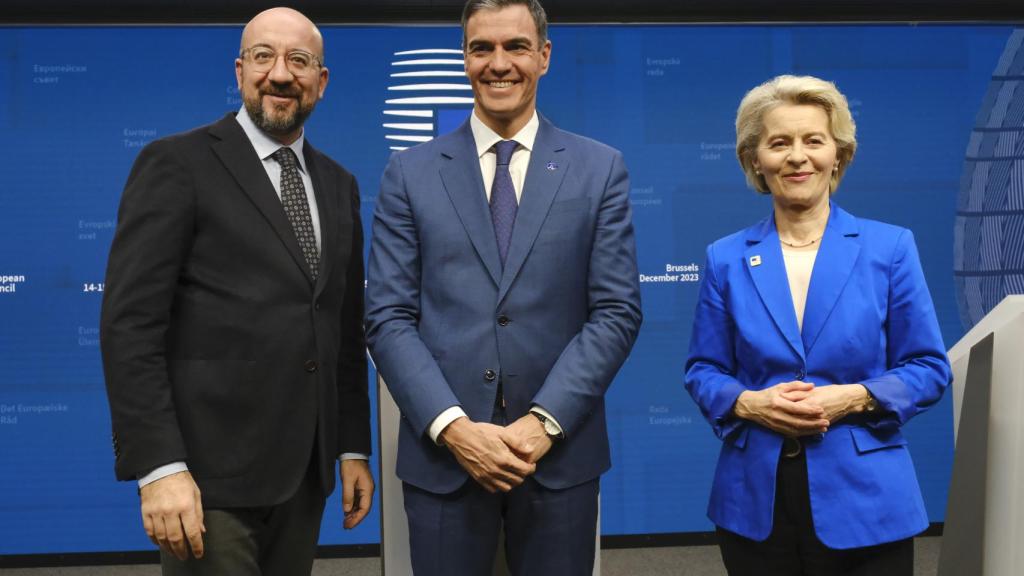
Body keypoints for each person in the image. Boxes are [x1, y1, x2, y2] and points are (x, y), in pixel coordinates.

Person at [364, 0, 642, 573]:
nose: (498, 63)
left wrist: (544, 424)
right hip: (444, 459)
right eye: (480, 48)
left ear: (543, 56)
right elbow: (387, 316)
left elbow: (615, 311)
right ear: (464, 58)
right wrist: (454, 428)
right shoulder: (409, 173)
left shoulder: (599, 168)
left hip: (557, 456)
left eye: (515, 47)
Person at [100, 7, 374, 575]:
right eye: (263, 57)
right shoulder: (177, 164)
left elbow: (344, 333)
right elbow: (130, 328)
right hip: (206, 484)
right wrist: (159, 468)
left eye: (299, 61)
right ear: (239, 69)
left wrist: (351, 447)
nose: (280, 74)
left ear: (320, 81)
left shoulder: (339, 184)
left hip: (305, 479)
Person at [684, 74, 952, 576]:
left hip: (867, 500)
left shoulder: (889, 248)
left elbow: (928, 368)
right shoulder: (725, 258)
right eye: (778, 143)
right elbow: (704, 370)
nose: (797, 156)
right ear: (754, 160)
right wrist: (750, 403)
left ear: (838, 155)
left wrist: (851, 397)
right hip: (755, 500)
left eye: (813, 140)